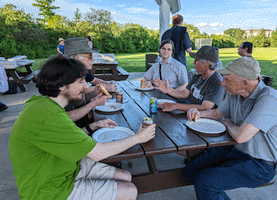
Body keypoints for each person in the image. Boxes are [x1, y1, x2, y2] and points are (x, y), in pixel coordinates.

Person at [9, 55, 156, 200]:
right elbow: (98, 153)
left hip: (63, 166)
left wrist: (92, 126)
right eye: (80, 82)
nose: (86, 87)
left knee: (126, 175)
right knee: (129, 191)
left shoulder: (43, 105)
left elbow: (62, 138)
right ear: (61, 85)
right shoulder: (49, 116)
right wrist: (138, 138)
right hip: (47, 189)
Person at [184, 56, 277, 200]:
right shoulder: (235, 91)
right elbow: (217, 113)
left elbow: (241, 136)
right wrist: (198, 113)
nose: (222, 83)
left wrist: (227, 123)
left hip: (260, 164)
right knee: (190, 171)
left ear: (245, 82)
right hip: (234, 149)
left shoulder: (269, 99)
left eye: (227, 79)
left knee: (205, 181)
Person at [64, 37, 117, 128]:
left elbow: (79, 102)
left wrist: (95, 93)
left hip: (83, 125)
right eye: (89, 56)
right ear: (77, 58)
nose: (93, 60)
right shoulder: (64, 78)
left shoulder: (77, 73)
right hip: (72, 132)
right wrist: (94, 103)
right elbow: (63, 118)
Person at [156, 46, 226, 113]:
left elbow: (205, 107)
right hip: (189, 114)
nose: (193, 63)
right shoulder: (198, 75)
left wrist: (176, 106)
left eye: (196, 60)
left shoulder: (217, 82)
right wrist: (169, 90)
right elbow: (185, 93)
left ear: (207, 63)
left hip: (203, 120)